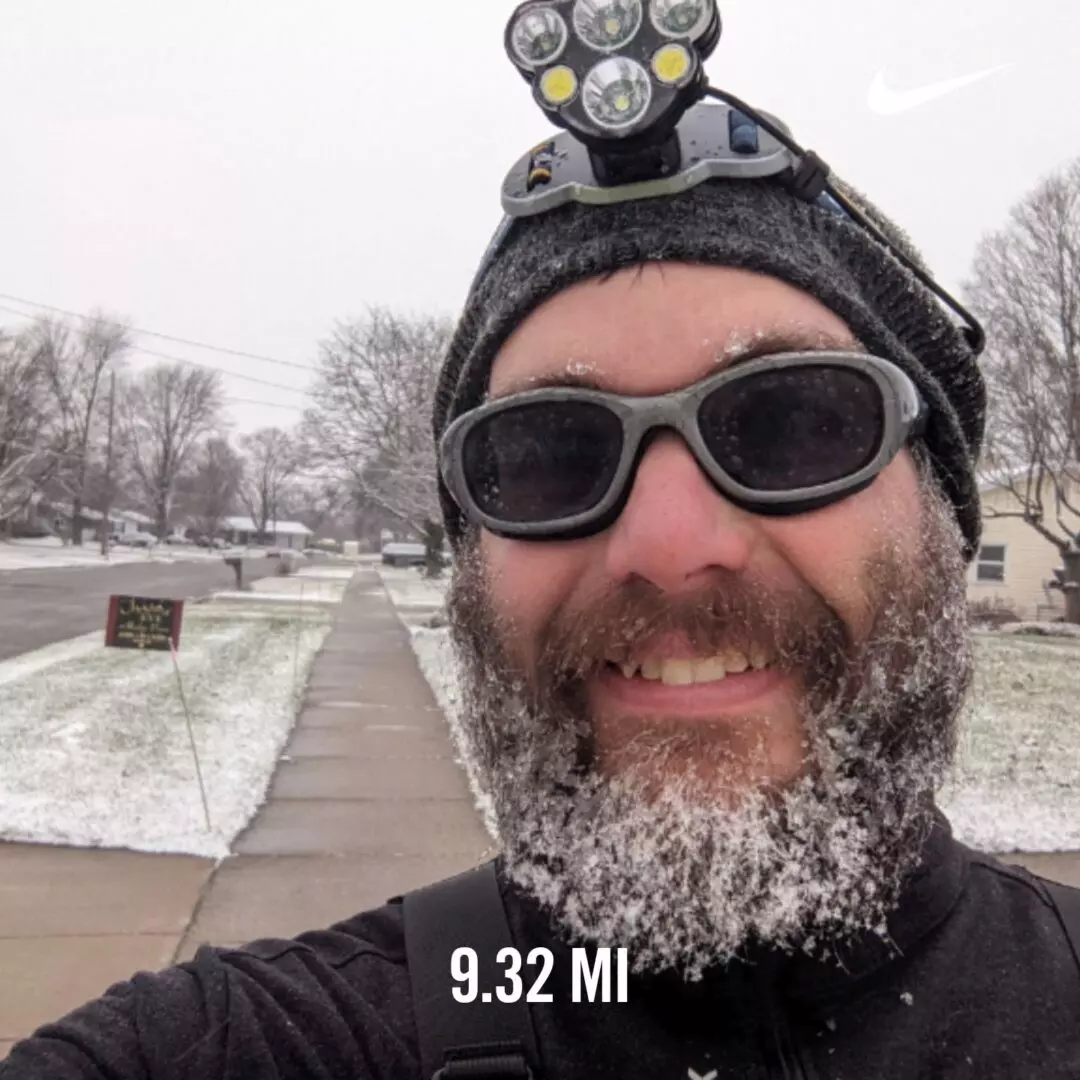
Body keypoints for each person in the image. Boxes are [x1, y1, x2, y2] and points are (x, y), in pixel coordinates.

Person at [5, 67, 1080, 1080]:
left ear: (942, 508)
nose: (667, 543)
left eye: (796, 423)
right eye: (551, 453)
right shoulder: (259, 1042)